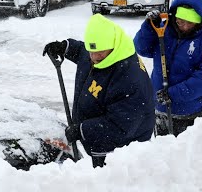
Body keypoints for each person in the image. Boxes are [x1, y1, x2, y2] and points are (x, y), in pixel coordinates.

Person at [43, 13, 155, 168]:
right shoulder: (103, 52)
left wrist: (81, 130)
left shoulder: (129, 78)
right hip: (100, 141)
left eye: (99, 53)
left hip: (121, 152)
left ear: (113, 47)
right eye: (92, 51)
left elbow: (119, 126)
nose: (94, 57)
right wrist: (65, 47)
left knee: (106, 189)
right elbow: (83, 52)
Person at [133, 0, 202, 137]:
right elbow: (142, 48)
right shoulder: (164, 27)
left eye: (188, 23)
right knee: (162, 156)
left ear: (199, 20)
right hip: (161, 108)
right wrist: (149, 28)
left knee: (192, 158)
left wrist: (173, 94)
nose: (183, 26)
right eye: (179, 21)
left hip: (196, 113)